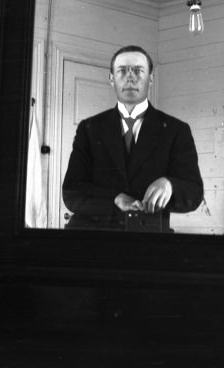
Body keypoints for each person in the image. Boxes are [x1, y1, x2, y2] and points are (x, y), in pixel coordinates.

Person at [62, 45, 204, 231]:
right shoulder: (89, 129)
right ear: (111, 79)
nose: (130, 77)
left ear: (150, 78)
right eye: (122, 71)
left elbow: (194, 193)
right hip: (93, 240)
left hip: (148, 242)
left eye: (138, 70)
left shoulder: (176, 130)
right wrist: (115, 198)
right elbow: (71, 193)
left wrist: (171, 184)